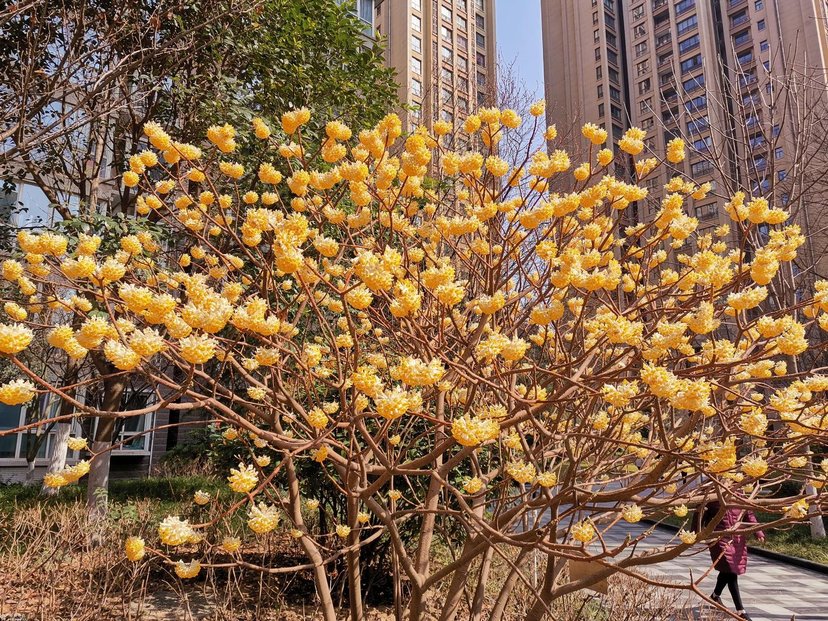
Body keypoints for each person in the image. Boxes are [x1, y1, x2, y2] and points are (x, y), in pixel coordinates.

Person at [695, 500, 765, 620]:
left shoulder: (739, 494)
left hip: (737, 538)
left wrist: (758, 531)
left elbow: (748, 512)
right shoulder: (712, 495)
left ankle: (715, 596)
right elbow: (700, 513)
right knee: (730, 570)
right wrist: (695, 534)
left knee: (727, 570)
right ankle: (740, 610)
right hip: (718, 537)